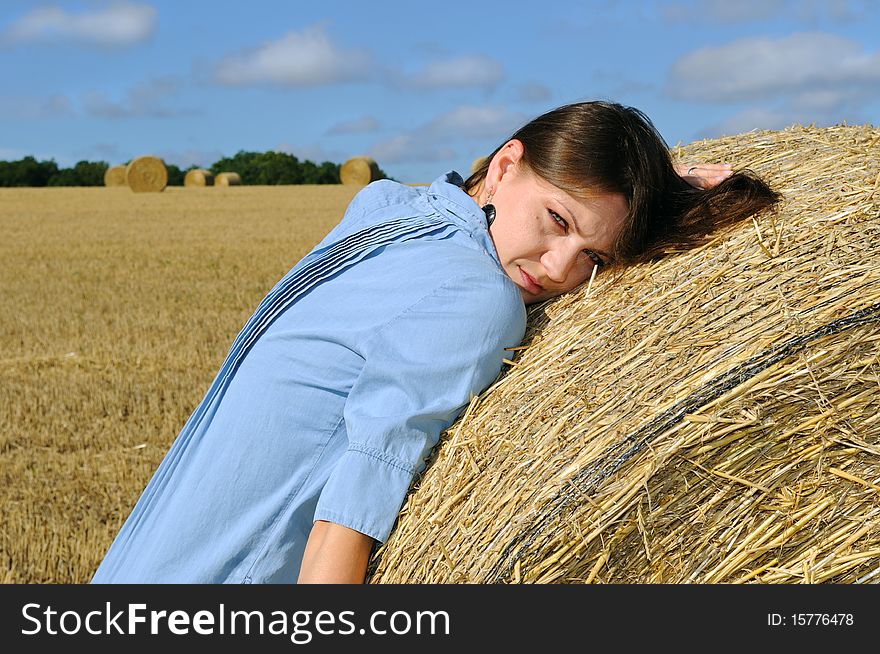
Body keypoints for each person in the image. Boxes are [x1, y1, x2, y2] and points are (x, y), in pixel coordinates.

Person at [91, 101, 779, 584]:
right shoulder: (476, 299)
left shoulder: (390, 212)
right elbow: (348, 513)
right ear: (505, 166)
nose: (561, 266)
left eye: (595, 258)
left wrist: (661, 193)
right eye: (555, 219)